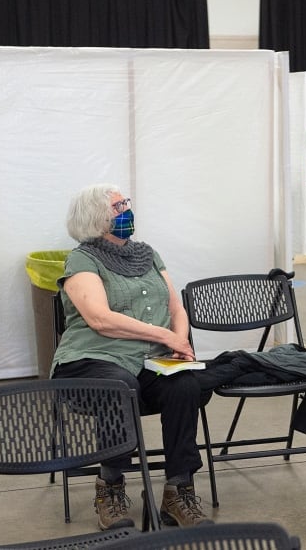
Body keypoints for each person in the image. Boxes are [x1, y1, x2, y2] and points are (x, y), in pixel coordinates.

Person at [51, 183, 211, 531]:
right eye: (118, 207)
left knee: (184, 382)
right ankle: (110, 485)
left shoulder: (148, 254)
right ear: (97, 219)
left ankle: (177, 490)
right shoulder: (82, 259)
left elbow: (175, 306)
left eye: (127, 204)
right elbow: (100, 319)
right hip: (90, 359)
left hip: (146, 360)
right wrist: (165, 335)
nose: (127, 211)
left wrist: (179, 341)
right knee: (119, 385)